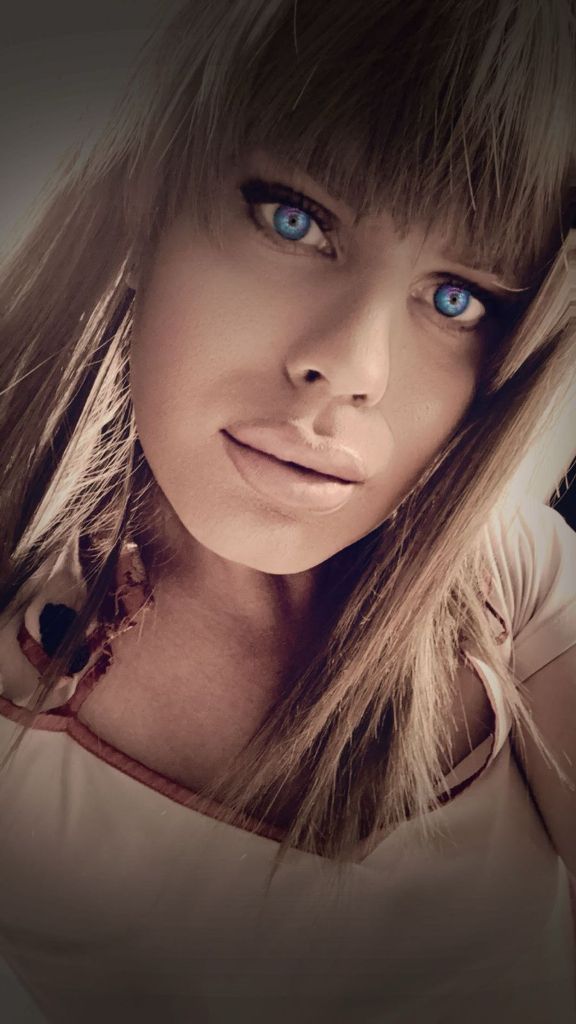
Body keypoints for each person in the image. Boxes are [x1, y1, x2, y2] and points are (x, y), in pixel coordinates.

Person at [0, 0, 575, 1021]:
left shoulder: (508, 577)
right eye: (294, 218)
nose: (349, 368)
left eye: (457, 298)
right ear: (152, 191)